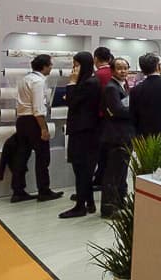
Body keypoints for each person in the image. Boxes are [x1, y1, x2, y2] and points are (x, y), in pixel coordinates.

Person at [10, 54, 63, 203]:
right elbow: (38, 108)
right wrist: (43, 128)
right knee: (43, 157)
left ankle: (18, 191)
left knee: (22, 155)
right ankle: (44, 191)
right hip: (34, 121)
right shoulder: (39, 82)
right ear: (44, 66)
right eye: (50, 65)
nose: (51, 67)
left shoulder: (25, 79)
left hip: (22, 120)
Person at [60, 51, 101, 218]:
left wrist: (71, 83)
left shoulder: (90, 83)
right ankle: (89, 203)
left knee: (82, 169)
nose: (74, 69)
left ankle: (80, 206)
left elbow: (72, 102)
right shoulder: (88, 82)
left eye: (76, 65)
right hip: (83, 131)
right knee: (83, 170)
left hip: (85, 133)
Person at [100, 57, 134, 218]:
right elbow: (118, 110)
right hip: (117, 135)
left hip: (124, 133)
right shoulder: (111, 88)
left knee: (121, 171)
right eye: (119, 68)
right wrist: (136, 110)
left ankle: (120, 201)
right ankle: (108, 208)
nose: (123, 71)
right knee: (113, 174)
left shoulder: (123, 85)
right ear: (112, 70)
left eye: (125, 68)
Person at [92, 46, 113, 189]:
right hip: (114, 118)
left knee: (100, 151)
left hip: (99, 118)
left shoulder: (96, 76)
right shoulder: (116, 73)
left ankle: (100, 178)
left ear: (95, 59)